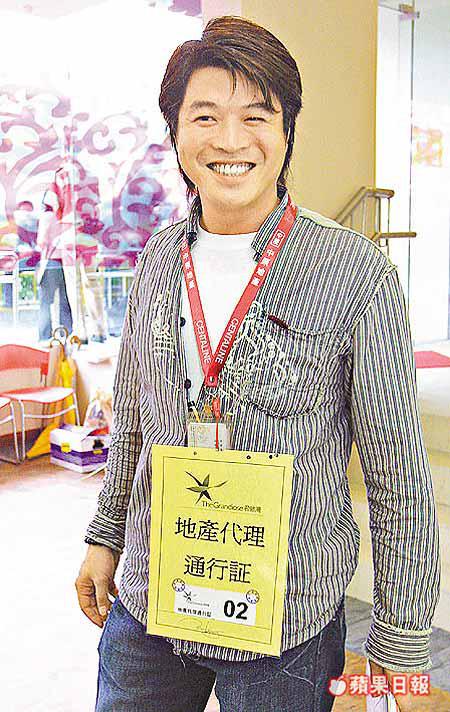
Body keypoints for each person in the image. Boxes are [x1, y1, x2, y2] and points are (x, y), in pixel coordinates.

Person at [75, 16, 440, 712]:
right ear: (175, 132)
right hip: (153, 603)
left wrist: (399, 642)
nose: (230, 140)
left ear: (287, 130)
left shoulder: (355, 273)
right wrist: (105, 538)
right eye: (204, 116)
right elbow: (133, 429)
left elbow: (398, 473)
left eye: (256, 115)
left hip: (287, 625)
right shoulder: (156, 262)